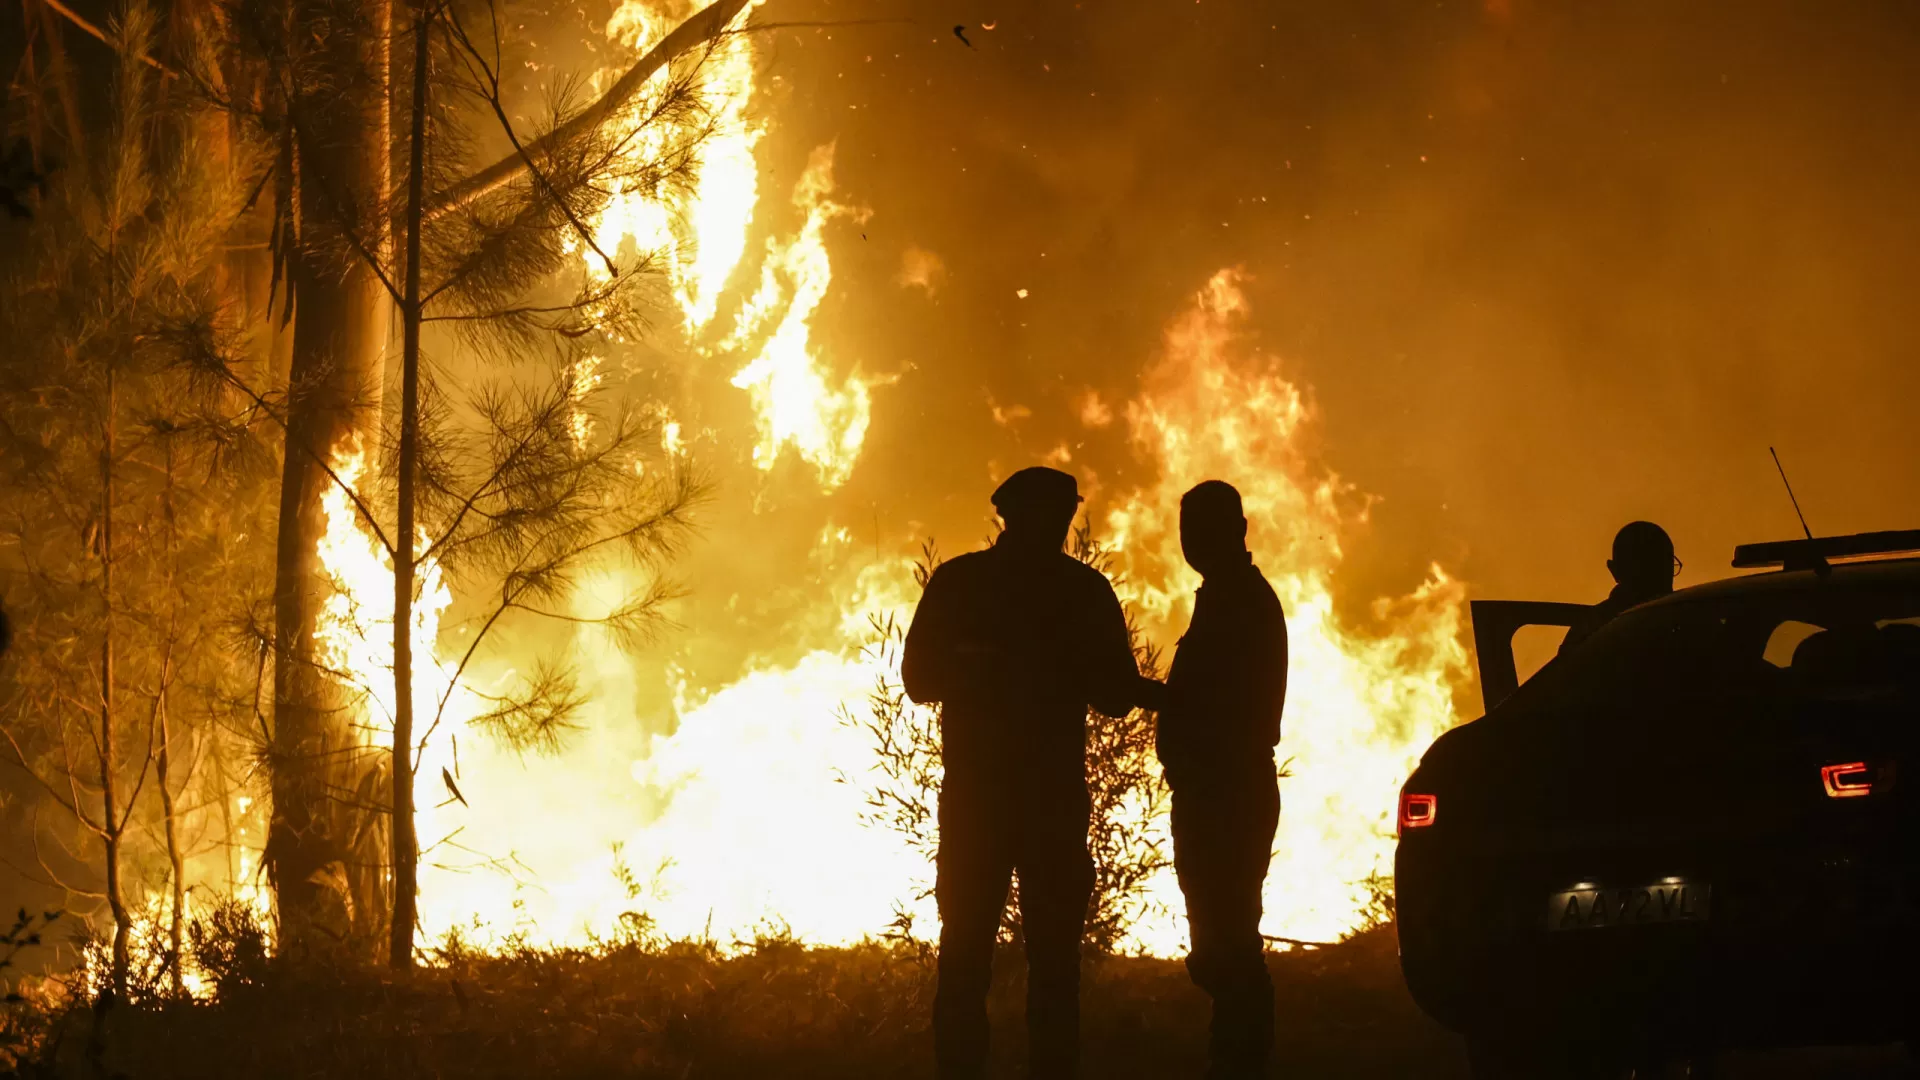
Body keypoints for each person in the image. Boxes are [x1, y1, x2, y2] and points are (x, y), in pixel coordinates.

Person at [901, 466, 1148, 1080]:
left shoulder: (961, 583)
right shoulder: (1081, 590)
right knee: (1048, 968)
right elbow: (1117, 695)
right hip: (1041, 803)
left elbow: (920, 680)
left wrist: (983, 665)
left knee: (969, 960)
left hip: (984, 803)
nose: (1058, 524)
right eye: (1055, 513)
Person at [1137, 480, 1287, 1080]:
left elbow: (1218, 704)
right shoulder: (1226, 597)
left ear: (1238, 530)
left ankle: (1239, 1059)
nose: (1191, 542)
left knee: (1228, 943)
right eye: (1187, 530)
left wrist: (1148, 695)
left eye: (1203, 528)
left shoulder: (1240, 603)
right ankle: (1235, 1054)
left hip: (1227, 791)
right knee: (1222, 938)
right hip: (1216, 789)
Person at [1558, 520, 1680, 656]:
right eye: (1646, 568)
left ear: (1614, 570)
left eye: (1660, 566)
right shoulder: (1684, 625)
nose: (1656, 577)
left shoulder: (1589, 628)